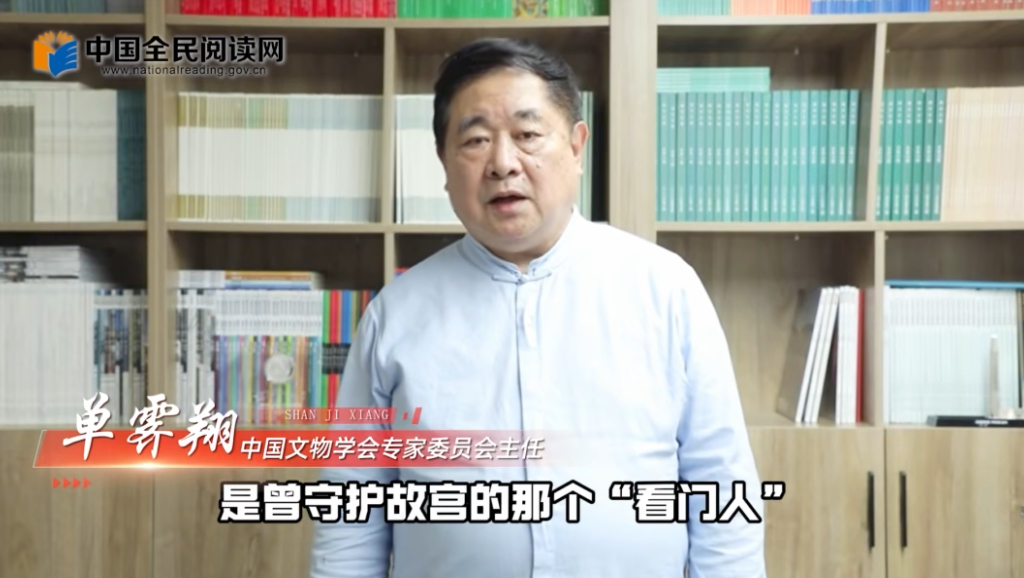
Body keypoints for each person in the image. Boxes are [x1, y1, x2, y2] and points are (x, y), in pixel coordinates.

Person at [309, 37, 766, 578]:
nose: (503, 163)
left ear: (576, 146)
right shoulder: (395, 316)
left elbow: (721, 489)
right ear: (444, 163)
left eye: (527, 135)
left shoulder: (665, 289)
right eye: (476, 140)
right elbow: (351, 514)